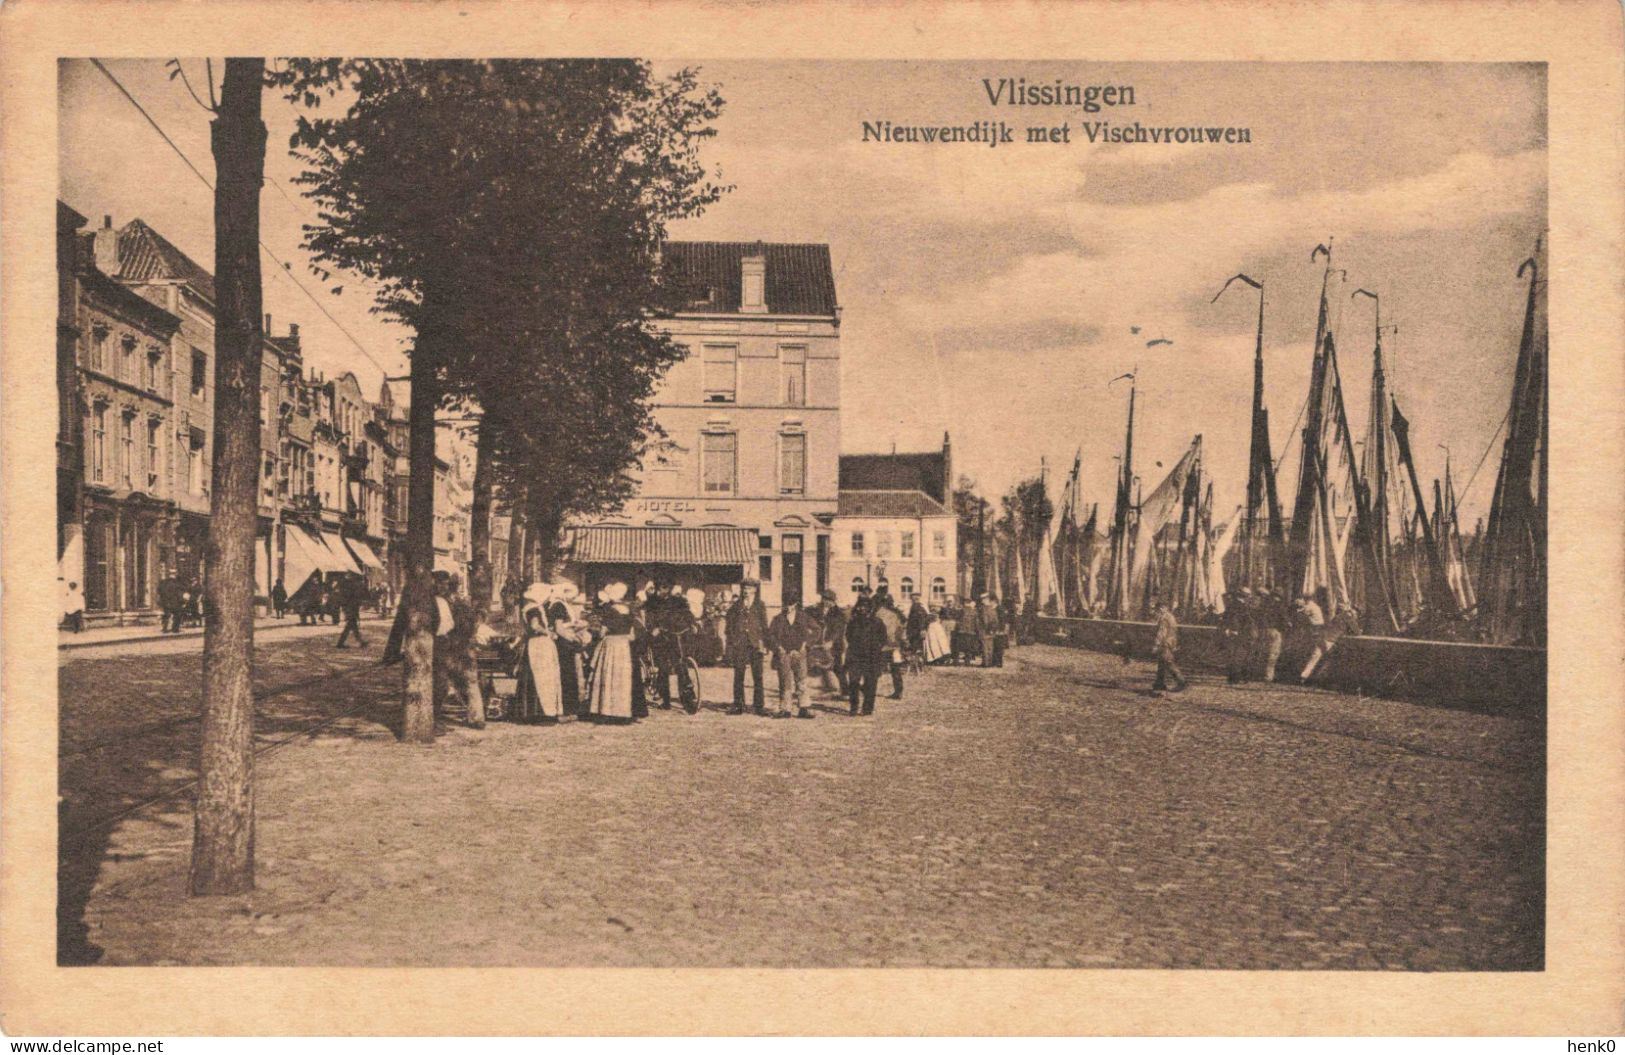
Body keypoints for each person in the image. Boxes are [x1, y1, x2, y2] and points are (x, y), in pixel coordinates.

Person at [511, 583, 563, 723]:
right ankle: (542, 713)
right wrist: (549, 632)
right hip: (540, 645)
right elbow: (535, 625)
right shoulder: (534, 609)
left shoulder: (528, 608)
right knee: (542, 678)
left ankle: (531, 712)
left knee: (533, 677)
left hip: (534, 644)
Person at [588, 581, 638, 724]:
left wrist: (597, 634)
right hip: (624, 646)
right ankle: (623, 712)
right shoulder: (628, 610)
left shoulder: (609, 610)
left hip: (612, 645)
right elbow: (632, 635)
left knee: (609, 676)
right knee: (623, 679)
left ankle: (608, 711)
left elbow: (603, 632)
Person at [650, 581, 699, 714]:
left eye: (665, 587)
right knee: (663, 668)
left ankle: (688, 701)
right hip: (663, 638)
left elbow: (688, 614)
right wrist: (655, 628)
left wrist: (693, 624)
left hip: (678, 636)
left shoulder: (679, 601)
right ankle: (665, 701)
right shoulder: (654, 602)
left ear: (669, 588)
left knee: (682, 667)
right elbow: (652, 619)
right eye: (661, 588)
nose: (662, 591)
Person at [724, 579, 770, 715]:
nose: (746, 591)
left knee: (758, 676)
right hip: (740, 644)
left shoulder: (760, 605)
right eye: (744, 588)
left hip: (755, 644)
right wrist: (733, 641)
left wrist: (764, 644)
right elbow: (729, 625)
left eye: (749, 588)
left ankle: (759, 706)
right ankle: (738, 705)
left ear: (755, 590)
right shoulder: (736, 605)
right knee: (738, 675)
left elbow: (764, 626)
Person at [768, 598, 817, 719]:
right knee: (785, 681)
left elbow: (817, 630)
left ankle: (804, 708)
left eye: (790, 604)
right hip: (784, 654)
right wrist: (778, 647)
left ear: (795, 604)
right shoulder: (778, 619)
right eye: (785, 604)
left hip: (800, 653)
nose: (787, 607)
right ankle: (785, 709)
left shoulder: (804, 617)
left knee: (801, 680)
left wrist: (806, 644)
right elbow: (770, 635)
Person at [546, 580, 588, 716]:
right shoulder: (558, 606)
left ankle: (571, 706)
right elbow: (559, 628)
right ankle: (567, 707)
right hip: (563, 644)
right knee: (566, 675)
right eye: (572, 596)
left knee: (570, 674)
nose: (573, 599)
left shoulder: (563, 605)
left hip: (566, 642)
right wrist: (573, 637)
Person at [844, 596, 889, 716]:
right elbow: (848, 636)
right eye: (860, 606)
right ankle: (854, 707)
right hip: (855, 656)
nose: (861, 609)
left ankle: (868, 708)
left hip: (872, 657)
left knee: (870, 682)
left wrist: (875, 648)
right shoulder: (853, 622)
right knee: (853, 682)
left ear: (870, 608)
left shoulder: (877, 622)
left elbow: (883, 639)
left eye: (864, 607)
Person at [809, 589, 848, 695]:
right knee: (820, 664)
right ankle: (827, 686)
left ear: (833, 601)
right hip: (821, 643)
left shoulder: (839, 613)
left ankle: (845, 690)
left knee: (838, 667)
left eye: (828, 600)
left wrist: (831, 641)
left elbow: (839, 629)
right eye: (824, 599)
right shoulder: (817, 609)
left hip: (835, 644)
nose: (825, 602)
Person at [1151, 600, 1187, 694]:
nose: (1159, 610)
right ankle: (1159, 684)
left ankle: (1181, 682)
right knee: (1162, 663)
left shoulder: (1164, 618)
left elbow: (1161, 633)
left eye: (1160, 608)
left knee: (1168, 662)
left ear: (1163, 608)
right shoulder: (1170, 616)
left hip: (1165, 643)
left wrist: (1156, 645)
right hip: (1171, 642)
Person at [1220, 588, 1255, 683]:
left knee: (1233, 655)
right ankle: (1237, 677)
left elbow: (1226, 618)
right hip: (1240, 633)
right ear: (1246, 596)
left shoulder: (1231, 605)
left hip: (1232, 632)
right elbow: (1240, 620)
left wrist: (1228, 629)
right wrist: (1236, 629)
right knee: (1240, 655)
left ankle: (1233, 677)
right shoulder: (1242, 606)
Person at [874, 591, 905, 699]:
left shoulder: (878, 613)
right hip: (895, 646)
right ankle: (898, 691)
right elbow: (900, 630)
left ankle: (866, 688)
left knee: (876, 667)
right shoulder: (896, 614)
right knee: (895, 668)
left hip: (883, 646)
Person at [1254, 588, 1286, 682]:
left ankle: (1255, 673)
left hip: (1263, 630)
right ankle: (1268, 676)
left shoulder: (1264, 605)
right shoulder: (1280, 606)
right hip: (1275, 630)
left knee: (1261, 651)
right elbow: (1283, 620)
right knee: (1273, 654)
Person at [336, 573, 368, 648]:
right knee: (350, 625)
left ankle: (360, 641)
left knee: (353, 626)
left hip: (350, 608)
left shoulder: (345, 584)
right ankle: (340, 643)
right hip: (350, 608)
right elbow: (350, 598)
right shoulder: (347, 585)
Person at [978, 592, 1004, 668]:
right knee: (990, 647)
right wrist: (993, 629)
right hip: (992, 631)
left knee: (985, 647)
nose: (982, 601)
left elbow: (985, 620)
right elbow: (996, 620)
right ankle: (989, 662)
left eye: (983, 599)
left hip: (985, 630)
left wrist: (986, 628)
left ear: (986, 600)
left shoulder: (984, 609)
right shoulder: (992, 609)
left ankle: (986, 663)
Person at [905, 593, 929, 659]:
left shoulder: (917, 608)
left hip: (916, 631)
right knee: (916, 647)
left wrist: (922, 629)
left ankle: (916, 662)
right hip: (914, 630)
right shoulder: (916, 607)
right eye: (913, 599)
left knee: (915, 647)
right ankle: (917, 662)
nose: (914, 600)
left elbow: (923, 619)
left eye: (916, 599)